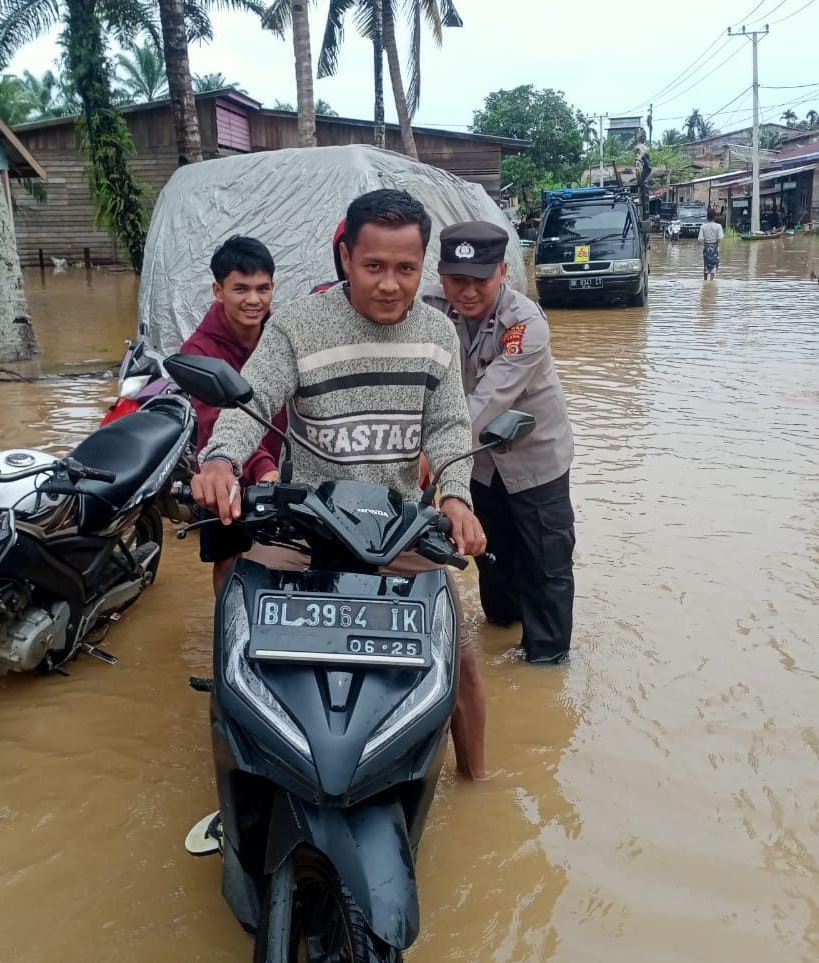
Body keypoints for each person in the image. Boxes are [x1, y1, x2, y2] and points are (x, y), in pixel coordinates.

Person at [191, 189, 490, 779]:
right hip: (304, 527)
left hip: (396, 528)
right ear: (347, 258)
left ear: (422, 266)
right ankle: (242, 780)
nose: (390, 284)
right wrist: (221, 460)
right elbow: (251, 402)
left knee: (458, 664)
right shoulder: (297, 325)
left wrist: (457, 498)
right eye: (374, 266)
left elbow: (450, 427)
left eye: (406, 268)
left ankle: (479, 782)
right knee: (239, 646)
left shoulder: (437, 334)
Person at [423, 221, 575, 665]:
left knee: (546, 566)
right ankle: (501, 637)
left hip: (535, 460)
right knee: (491, 557)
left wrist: (429, 456)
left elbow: (487, 402)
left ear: (504, 272)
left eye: (480, 280)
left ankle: (546, 665)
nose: (467, 292)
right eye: (456, 280)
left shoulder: (525, 323)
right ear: (441, 275)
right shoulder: (428, 309)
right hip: (479, 462)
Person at [180, 236, 289, 593]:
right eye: (241, 289)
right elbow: (217, 419)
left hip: (282, 468)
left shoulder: (285, 336)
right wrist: (264, 469)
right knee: (228, 559)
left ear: (273, 287)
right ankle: (227, 624)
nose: (253, 300)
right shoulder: (199, 351)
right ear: (218, 290)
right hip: (223, 473)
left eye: (262, 288)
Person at [698, 208, 724, 281]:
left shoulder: (703, 226)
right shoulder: (718, 226)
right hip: (715, 246)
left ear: (707, 217)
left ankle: (705, 280)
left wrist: (705, 242)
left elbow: (700, 238)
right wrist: (716, 241)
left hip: (706, 247)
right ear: (714, 217)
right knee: (714, 264)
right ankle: (711, 281)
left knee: (706, 264)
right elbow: (720, 237)